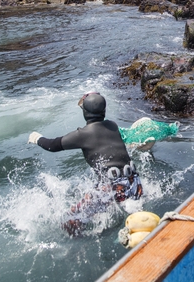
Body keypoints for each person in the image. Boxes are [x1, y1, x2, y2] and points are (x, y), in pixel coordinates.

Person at [27, 92, 142, 235]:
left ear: (84, 113)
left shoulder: (83, 134)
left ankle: (85, 240)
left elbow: (52, 145)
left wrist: (37, 138)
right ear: (104, 111)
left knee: (70, 221)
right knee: (99, 194)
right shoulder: (113, 125)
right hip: (135, 184)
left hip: (113, 189)